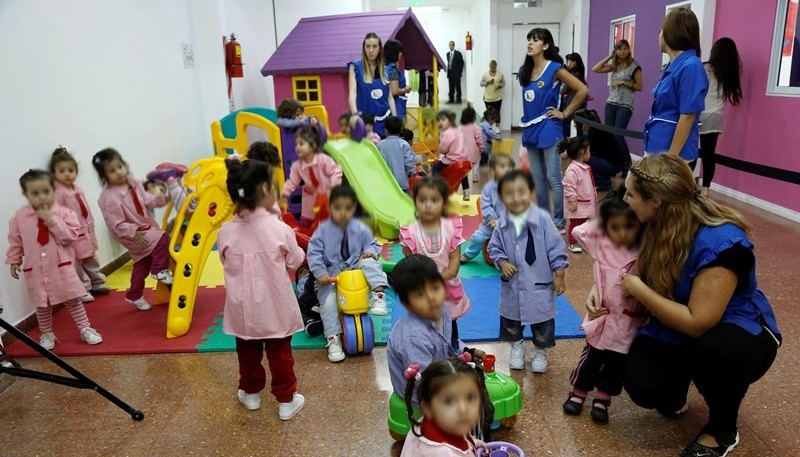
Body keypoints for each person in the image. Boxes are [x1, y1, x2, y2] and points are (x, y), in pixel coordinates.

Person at [586, 154, 780, 457]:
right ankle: (679, 387)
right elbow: (619, 265)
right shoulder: (649, 222)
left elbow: (698, 321)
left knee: (716, 351)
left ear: (657, 202)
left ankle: (722, 428)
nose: (624, 198)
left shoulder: (722, 241)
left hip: (735, 329)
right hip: (675, 319)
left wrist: (637, 288)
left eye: (631, 193)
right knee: (643, 385)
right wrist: (599, 292)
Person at [217, 156, 305, 420]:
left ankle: (252, 394)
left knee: (247, 353)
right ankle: (286, 401)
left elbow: (224, 260)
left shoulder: (225, 231)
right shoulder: (279, 229)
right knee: (280, 354)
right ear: (265, 192)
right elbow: (296, 260)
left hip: (242, 309)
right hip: (274, 306)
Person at [563, 188, 643, 423]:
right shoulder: (604, 248)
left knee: (616, 365)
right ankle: (578, 392)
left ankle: (603, 397)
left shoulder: (643, 253)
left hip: (628, 322)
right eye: (614, 227)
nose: (621, 233)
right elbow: (579, 231)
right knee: (591, 359)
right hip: (602, 317)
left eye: (627, 227)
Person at [6, 169, 103, 350]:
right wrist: (14, 259)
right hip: (35, 269)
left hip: (60, 267)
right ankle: (47, 333)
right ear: (25, 194)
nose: (42, 197)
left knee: (72, 299)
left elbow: (70, 237)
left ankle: (85, 328)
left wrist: (51, 220)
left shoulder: (64, 213)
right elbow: (16, 240)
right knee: (42, 304)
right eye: (35, 193)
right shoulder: (19, 217)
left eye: (46, 191)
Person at [488, 170, 568, 373]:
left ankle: (540, 350)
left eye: (521, 192)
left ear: (530, 192)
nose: (516, 199)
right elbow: (494, 248)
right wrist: (503, 262)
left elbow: (556, 247)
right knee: (511, 321)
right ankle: (517, 346)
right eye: (509, 194)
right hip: (513, 285)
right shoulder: (502, 223)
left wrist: (559, 274)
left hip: (538, 284)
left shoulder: (543, 220)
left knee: (542, 322)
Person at [307, 184, 389, 363]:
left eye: (348, 208)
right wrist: (320, 273)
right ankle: (333, 338)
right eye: (338, 208)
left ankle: (379, 295)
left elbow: (373, 244)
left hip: (355, 272)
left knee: (370, 262)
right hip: (330, 278)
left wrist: (370, 252)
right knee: (328, 303)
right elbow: (313, 255)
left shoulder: (360, 229)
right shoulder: (321, 232)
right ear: (330, 208)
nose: (343, 213)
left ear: (354, 209)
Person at [386, 254, 485, 401]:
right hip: (420, 393)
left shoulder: (442, 311)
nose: (432, 298)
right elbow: (425, 382)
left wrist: (466, 351)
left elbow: (448, 342)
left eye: (435, 288)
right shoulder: (414, 337)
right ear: (407, 302)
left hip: (440, 372)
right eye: (420, 295)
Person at [519, 28, 588, 232]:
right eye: (528, 39)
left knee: (553, 176)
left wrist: (565, 113)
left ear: (546, 45)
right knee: (538, 177)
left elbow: (582, 90)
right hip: (530, 126)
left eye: (535, 40)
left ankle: (558, 222)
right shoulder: (525, 70)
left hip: (550, 127)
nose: (530, 43)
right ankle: (543, 218)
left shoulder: (555, 68)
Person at [93, 148, 173, 311]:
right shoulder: (108, 197)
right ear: (104, 176)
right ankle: (159, 270)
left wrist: (162, 199)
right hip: (131, 233)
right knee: (163, 238)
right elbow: (116, 223)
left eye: (120, 167)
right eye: (112, 171)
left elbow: (147, 199)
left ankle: (134, 295)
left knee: (143, 261)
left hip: (144, 227)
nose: (119, 172)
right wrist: (132, 232)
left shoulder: (133, 183)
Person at [400, 177, 470, 349]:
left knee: (450, 327)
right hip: (422, 289)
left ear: (444, 203)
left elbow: (454, 258)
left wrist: (447, 274)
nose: (428, 205)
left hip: (446, 287)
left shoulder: (451, 228)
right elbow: (409, 261)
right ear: (415, 202)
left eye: (434, 200)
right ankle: (426, 353)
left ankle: (453, 352)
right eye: (422, 200)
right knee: (423, 326)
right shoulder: (411, 231)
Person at [643, 8, 708, 161]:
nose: (659, 36)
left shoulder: (691, 67)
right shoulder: (673, 66)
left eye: (661, 31)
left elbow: (688, 115)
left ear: (671, 34)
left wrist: (671, 158)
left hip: (672, 154)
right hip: (657, 146)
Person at [49, 147, 110, 302]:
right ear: (54, 174)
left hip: (87, 228)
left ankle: (97, 281)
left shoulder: (77, 188)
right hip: (73, 231)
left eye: (71, 170)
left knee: (91, 256)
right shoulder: (58, 192)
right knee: (77, 261)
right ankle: (83, 288)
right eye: (62, 171)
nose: (67, 174)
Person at [400, 356, 492, 456]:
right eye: (449, 401)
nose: (463, 409)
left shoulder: (431, 425)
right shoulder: (443, 453)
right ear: (427, 407)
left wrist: (475, 443)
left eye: (470, 397)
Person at [699, 38, 742, 197]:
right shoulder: (729, 73)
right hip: (716, 116)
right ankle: (706, 189)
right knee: (708, 154)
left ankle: (686, 183)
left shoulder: (705, 68)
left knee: (690, 150)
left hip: (700, 113)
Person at [280, 124, 342, 227]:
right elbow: (292, 182)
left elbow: (336, 171)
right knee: (309, 221)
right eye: (296, 144)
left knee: (327, 220)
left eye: (301, 144)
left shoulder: (323, 160)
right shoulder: (297, 166)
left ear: (313, 145)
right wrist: (285, 194)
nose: (297, 147)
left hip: (326, 197)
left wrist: (333, 187)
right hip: (310, 199)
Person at [592, 40, 642, 158]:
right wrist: (610, 56)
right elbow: (596, 69)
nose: (623, 51)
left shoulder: (634, 66)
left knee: (618, 135)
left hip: (625, 105)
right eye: (619, 49)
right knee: (609, 134)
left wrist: (624, 82)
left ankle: (627, 162)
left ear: (629, 50)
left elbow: (639, 86)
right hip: (611, 103)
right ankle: (614, 160)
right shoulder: (616, 65)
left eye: (625, 49)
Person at [461, 153, 512, 264]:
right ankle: (468, 254)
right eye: (502, 166)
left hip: (509, 224)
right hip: (490, 224)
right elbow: (485, 205)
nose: (507, 169)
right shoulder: (489, 188)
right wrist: (492, 218)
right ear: (493, 171)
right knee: (478, 237)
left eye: (509, 166)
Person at [348, 32, 396, 138]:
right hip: (364, 123)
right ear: (363, 48)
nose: (371, 50)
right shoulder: (355, 67)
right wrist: (355, 115)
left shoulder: (387, 70)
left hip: (384, 122)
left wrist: (395, 120)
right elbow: (352, 93)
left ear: (379, 48)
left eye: (374, 46)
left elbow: (390, 98)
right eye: (367, 46)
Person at [560, 137, 597, 253]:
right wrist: (572, 200)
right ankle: (573, 242)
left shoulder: (583, 167)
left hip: (586, 202)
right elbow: (568, 186)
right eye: (589, 150)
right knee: (576, 223)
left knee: (587, 222)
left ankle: (584, 240)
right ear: (582, 152)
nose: (590, 153)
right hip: (578, 203)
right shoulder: (573, 170)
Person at [432, 110, 471, 201]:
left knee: (436, 168)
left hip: (452, 158)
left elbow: (443, 148)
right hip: (464, 158)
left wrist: (442, 150)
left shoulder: (446, 133)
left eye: (443, 120)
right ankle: (466, 193)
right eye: (439, 120)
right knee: (463, 174)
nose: (440, 122)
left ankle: (438, 186)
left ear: (450, 121)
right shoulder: (458, 130)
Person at [377, 116, 417, 192]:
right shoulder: (404, 144)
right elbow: (409, 162)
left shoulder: (380, 145)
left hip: (386, 182)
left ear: (385, 130)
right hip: (401, 182)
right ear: (401, 129)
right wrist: (412, 171)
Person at [562, 53, 589, 138]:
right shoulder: (578, 73)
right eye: (569, 60)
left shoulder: (574, 76)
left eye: (572, 61)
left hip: (574, 103)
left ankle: (567, 143)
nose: (569, 63)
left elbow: (563, 91)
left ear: (577, 63)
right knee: (579, 127)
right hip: (579, 102)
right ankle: (579, 145)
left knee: (566, 123)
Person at [384, 39, 410, 121]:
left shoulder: (384, 68)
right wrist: (406, 89)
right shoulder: (394, 70)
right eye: (399, 51)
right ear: (394, 53)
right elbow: (394, 91)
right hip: (397, 106)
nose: (401, 54)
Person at [459, 105, 484, 183]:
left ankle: (463, 175)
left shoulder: (460, 127)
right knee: (475, 163)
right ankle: (475, 177)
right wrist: (481, 146)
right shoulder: (475, 127)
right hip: (474, 150)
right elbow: (479, 138)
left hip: (463, 151)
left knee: (464, 164)